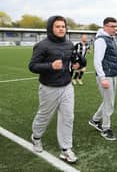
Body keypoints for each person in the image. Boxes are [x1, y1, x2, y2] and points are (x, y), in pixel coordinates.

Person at [29, 15, 79, 163]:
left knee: (68, 117)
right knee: (44, 116)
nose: (61, 29)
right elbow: (32, 66)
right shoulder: (42, 45)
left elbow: (71, 63)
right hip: (48, 88)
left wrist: (75, 66)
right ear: (51, 28)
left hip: (67, 86)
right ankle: (36, 137)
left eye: (63, 26)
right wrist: (50, 66)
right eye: (57, 26)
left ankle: (65, 149)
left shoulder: (70, 44)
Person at [88, 17, 117, 141]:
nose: (115, 29)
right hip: (106, 76)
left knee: (108, 101)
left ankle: (95, 120)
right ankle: (105, 128)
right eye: (112, 26)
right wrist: (102, 78)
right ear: (105, 26)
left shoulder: (110, 39)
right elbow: (97, 61)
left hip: (112, 74)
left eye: (116, 26)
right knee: (109, 103)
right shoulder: (101, 40)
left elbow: (112, 57)